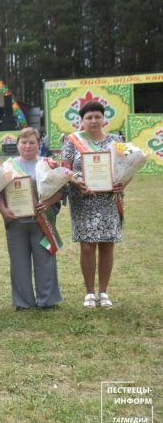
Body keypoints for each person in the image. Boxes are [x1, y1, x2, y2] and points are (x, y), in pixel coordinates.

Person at [62, 101, 125, 308]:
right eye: (89, 117)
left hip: (108, 200)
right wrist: (77, 182)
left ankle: (104, 292)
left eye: (97, 116)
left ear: (104, 119)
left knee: (107, 245)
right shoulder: (72, 141)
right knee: (87, 246)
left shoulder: (116, 141)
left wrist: (121, 183)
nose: (93, 121)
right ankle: (90, 292)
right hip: (84, 198)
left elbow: (125, 169)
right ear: (82, 121)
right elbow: (65, 169)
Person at [0, 128, 63, 310]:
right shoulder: (7, 165)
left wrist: (49, 203)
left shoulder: (48, 163)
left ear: (38, 144)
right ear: (17, 145)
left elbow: (63, 188)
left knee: (45, 261)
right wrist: (3, 210)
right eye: (24, 142)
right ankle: (23, 302)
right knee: (19, 263)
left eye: (32, 142)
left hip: (42, 221)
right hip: (16, 222)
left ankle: (47, 300)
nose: (27, 146)